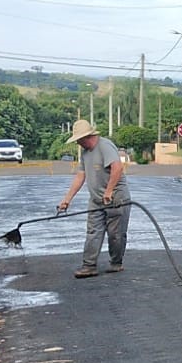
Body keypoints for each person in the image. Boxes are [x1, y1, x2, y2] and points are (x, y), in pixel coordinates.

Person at [57, 119, 130, 279]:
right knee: (93, 232)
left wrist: (109, 191)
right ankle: (89, 265)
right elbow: (81, 175)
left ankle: (116, 262)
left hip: (116, 198)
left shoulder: (105, 146)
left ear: (86, 137)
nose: (78, 143)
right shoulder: (85, 153)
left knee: (115, 234)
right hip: (96, 200)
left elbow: (117, 167)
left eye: (79, 140)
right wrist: (67, 199)